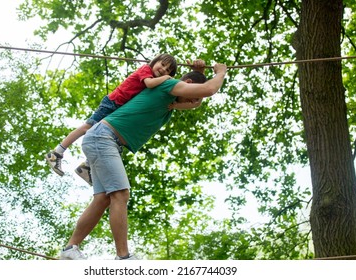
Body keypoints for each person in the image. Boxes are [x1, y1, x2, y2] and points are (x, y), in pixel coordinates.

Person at [59, 60, 227, 260]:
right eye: (192, 96)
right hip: (103, 137)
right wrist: (221, 73)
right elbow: (208, 90)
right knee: (120, 194)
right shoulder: (168, 85)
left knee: (103, 198)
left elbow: (198, 100)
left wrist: (198, 73)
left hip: (102, 139)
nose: (193, 102)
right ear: (187, 83)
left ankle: (70, 249)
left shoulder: (170, 103)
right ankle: (123, 258)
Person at [45, 53, 178, 184]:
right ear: (155, 61)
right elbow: (149, 84)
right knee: (88, 127)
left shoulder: (158, 80)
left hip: (120, 109)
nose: (164, 70)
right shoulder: (146, 69)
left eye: (168, 70)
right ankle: (57, 153)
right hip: (113, 103)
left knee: (104, 135)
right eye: (163, 64)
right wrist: (167, 77)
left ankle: (86, 167)